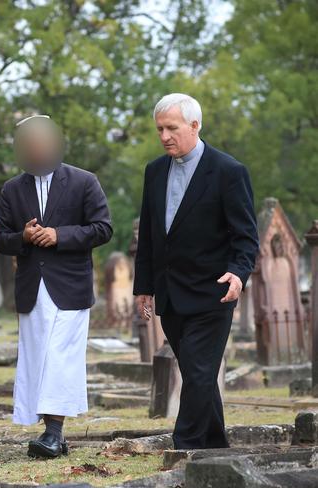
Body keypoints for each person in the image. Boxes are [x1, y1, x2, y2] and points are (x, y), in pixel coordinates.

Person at [133, 93, 259, 449]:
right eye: (159, 129)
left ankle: (184, 448)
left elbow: (246, 236)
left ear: (194, 125)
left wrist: (239, 272)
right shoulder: (154, 171)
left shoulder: (228, 172)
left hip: (213, 292)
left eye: (171, 128)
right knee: (195, 374)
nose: (164, 136)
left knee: (201, 372)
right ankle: (215, 446)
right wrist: (143, 286)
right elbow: (151, 236)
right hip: (171, 294)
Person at [0, 115, 113, 458]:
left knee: (60, 357)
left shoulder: (84, 181)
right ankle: (54, 436)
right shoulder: (12, 189)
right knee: (38, 358)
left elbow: (103, 228)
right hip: (32, 288)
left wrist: (60, 235)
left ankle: (53, 431)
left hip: (70, 286)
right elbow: (0, 239)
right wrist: (24, 237)